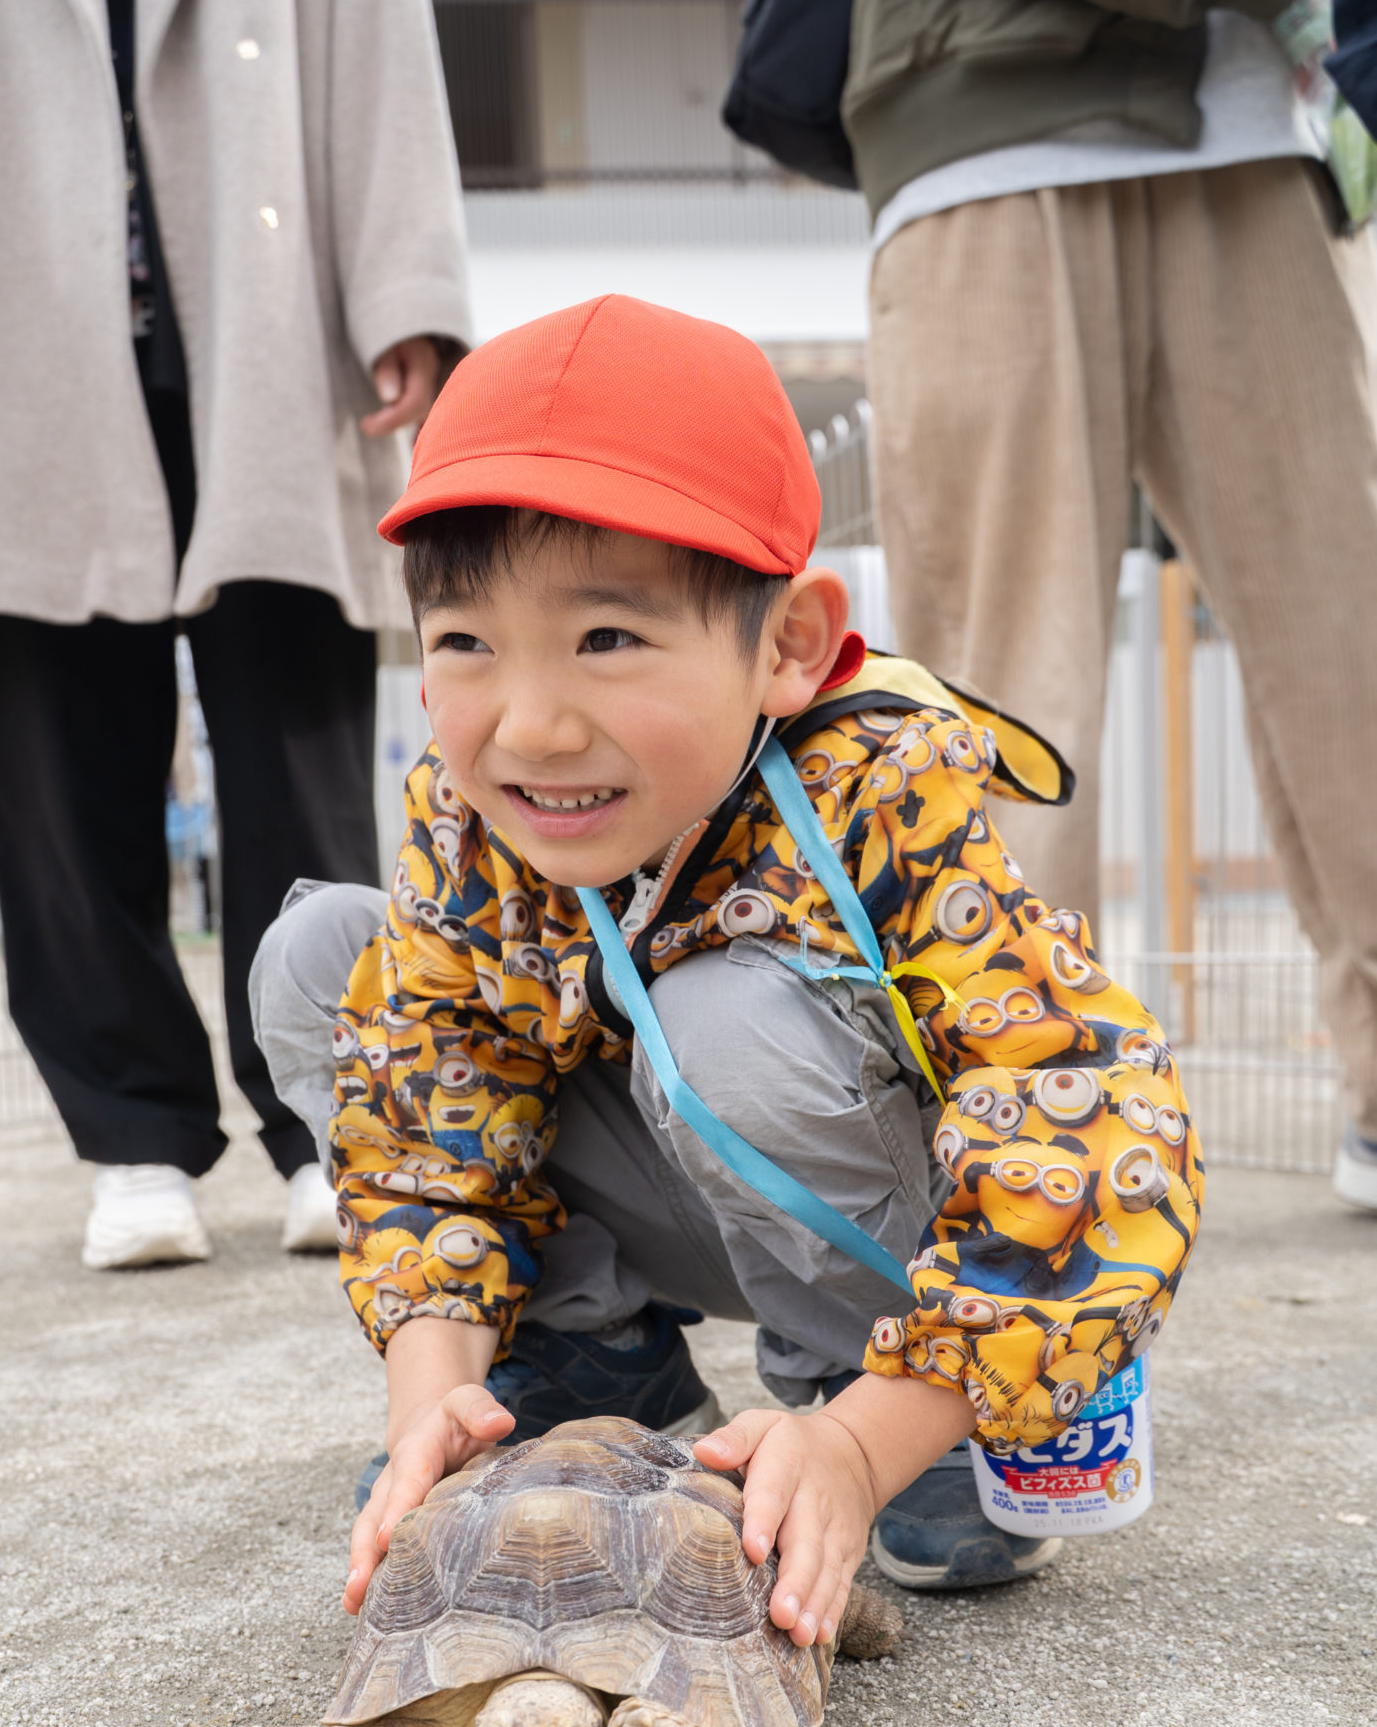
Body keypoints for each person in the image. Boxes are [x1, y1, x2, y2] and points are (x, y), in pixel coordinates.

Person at [251, 297, 1203, 1631]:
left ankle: (883, 1414)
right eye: (466, 642)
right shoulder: (468, 821)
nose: (532, 724)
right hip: (672, 1202)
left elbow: (1102, 1126)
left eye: (606, 639)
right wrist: (433, 1398)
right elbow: (426, 1122)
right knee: (325, 961)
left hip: (878, 1245)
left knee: (724, 1022)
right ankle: (580, 1364)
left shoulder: (876, 798)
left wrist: (871, 1439)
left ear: (789, 645)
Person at [0, 0, 471, 1267]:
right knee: (58, 767)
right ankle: (133, 1142)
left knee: (295, 760)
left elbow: (383, 58)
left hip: (270, 342)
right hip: (14, 351)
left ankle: (330, 1124)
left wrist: (407, 294)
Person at [802, 0, 1377, 1216]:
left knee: (1349, 643)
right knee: (1008, 686)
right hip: (981, 121)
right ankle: (1018, 1123)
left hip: (1250, 129)